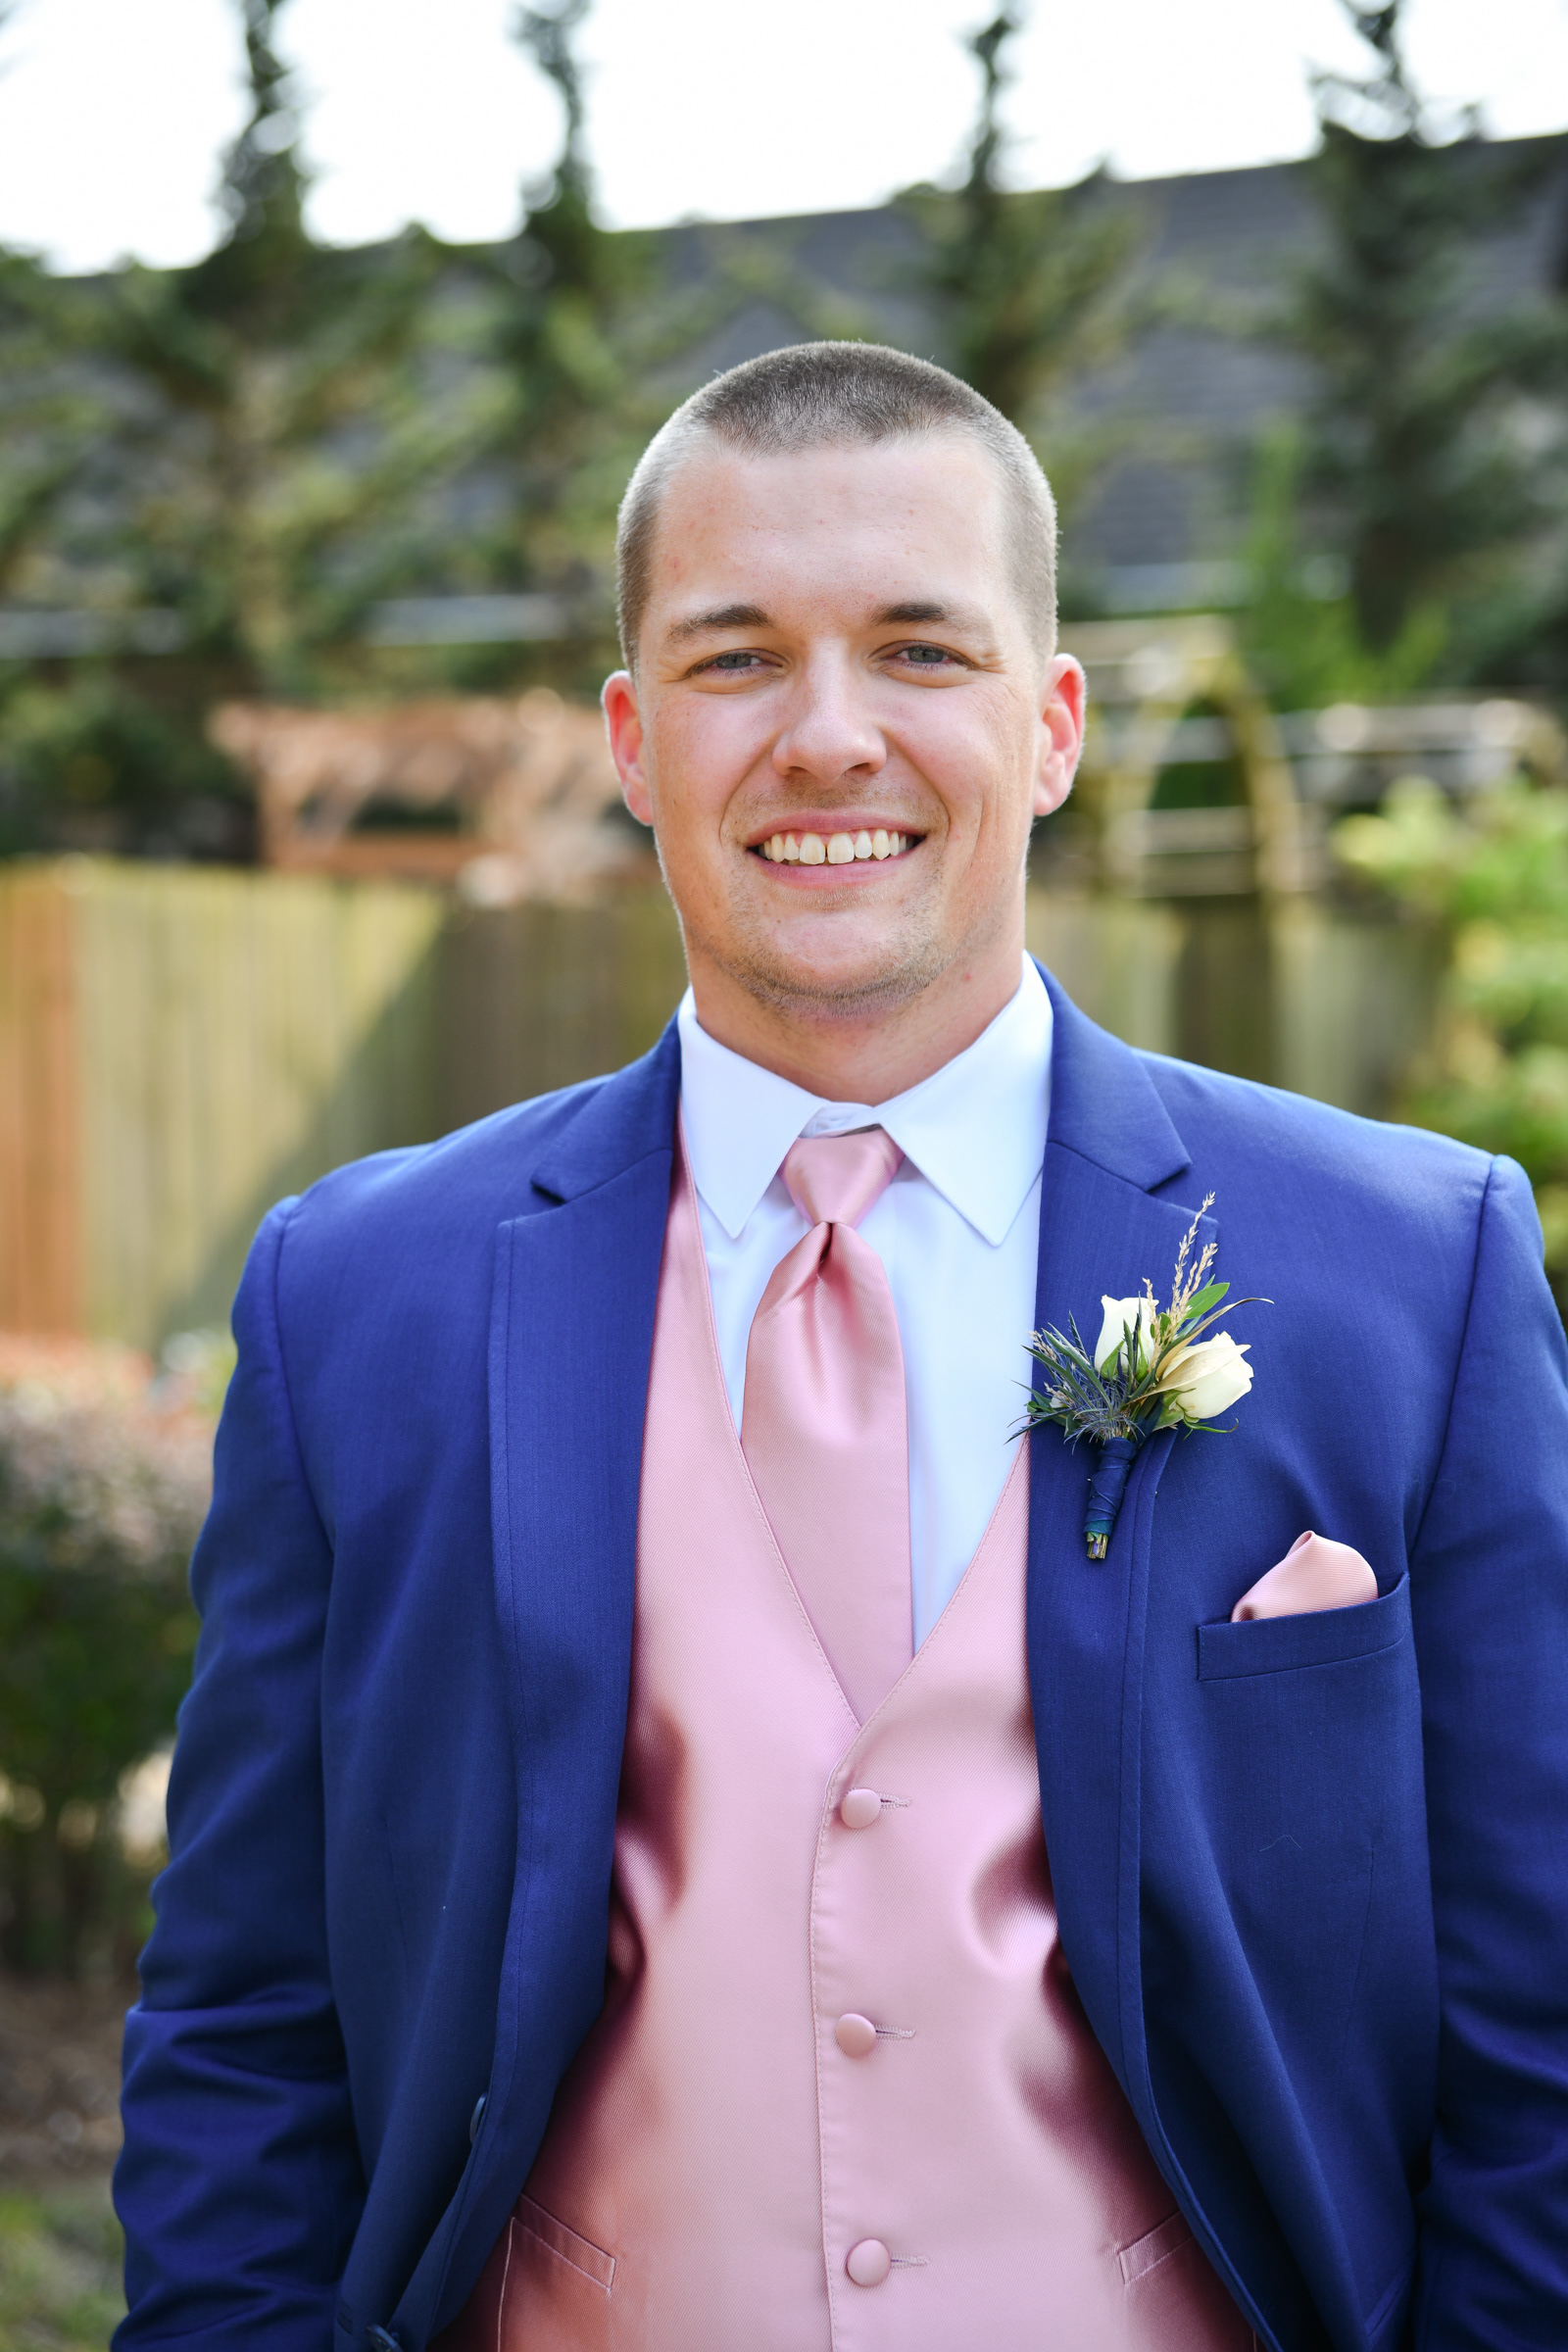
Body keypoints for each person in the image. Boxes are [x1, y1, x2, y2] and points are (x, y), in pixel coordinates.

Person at [113, 343, 1568, 2352]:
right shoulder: (358, 1297)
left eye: (917, 652)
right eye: (735, 660)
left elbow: (1537, 2027)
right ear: (632, 742)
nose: (825, 738)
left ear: (1049, 726)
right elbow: (246, 2019)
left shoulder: (1413, 1270)